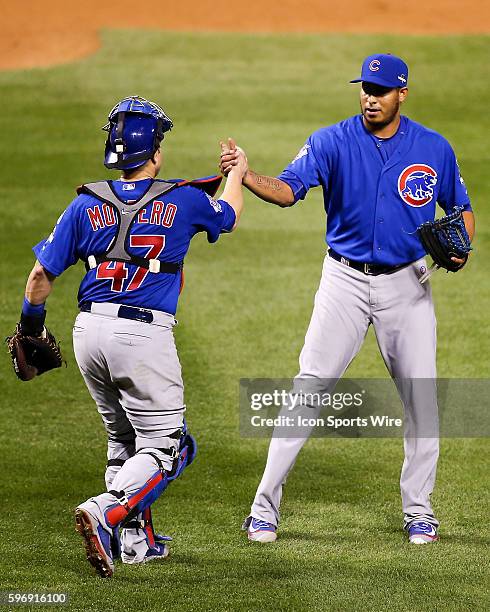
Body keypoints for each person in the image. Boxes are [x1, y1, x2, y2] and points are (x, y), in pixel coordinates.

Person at [220, 54, 475, 545]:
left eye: (380, 90)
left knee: (421, 400)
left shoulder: (433, 148)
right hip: (344, 283)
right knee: (308, 387)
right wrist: (248, 176)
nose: (370, 97)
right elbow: (288, 189)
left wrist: (463, 247)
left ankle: (419, 511)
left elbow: (461, 210)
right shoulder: (330, 141)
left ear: (402, 93)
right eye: (365, 88)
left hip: (408, 285)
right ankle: (262, 508)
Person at [21, 96, 246, 577]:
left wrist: (31, 326)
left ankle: (135, 543)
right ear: (156, 153)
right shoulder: (183, 199)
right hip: (141, 336)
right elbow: (227, 215)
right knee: (170, 447)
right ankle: (106, 511)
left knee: (122, 440)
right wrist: (237, 171)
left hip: (89, 333)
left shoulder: (84, 204)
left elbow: (41, 274)